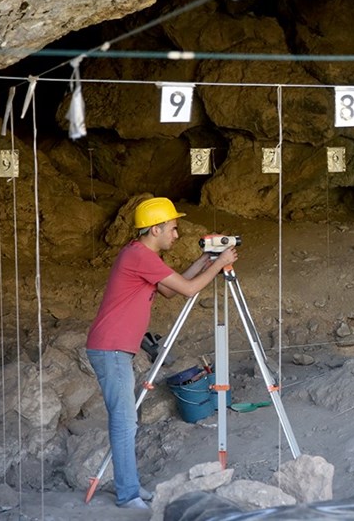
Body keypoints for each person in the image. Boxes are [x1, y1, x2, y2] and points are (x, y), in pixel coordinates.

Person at [86, 197, 237, 509]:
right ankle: (127, 495)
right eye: (173, 228)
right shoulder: (139, 255)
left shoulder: (139, 253)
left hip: (113, 348)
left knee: (126, 420)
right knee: (125, 421)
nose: (177, 234)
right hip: (111, 348)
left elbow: (170, 288)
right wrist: (220, 264)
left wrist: (206, 261)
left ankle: (131, 488)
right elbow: (189, 289)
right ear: (155, 229)